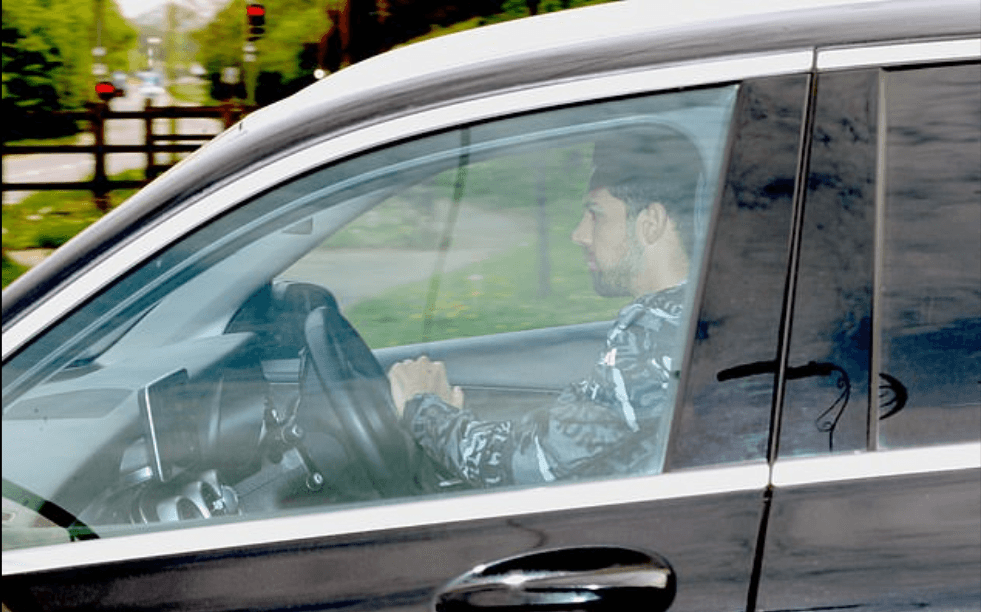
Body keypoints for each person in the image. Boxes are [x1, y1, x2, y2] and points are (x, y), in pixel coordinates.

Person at [388, 126, 705, 487]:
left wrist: (422, 408)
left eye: (595, 214)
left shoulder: (657, 337)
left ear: (650, 223)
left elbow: (532, 460)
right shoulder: (681, 320)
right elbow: (566, 442)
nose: (578, 234)